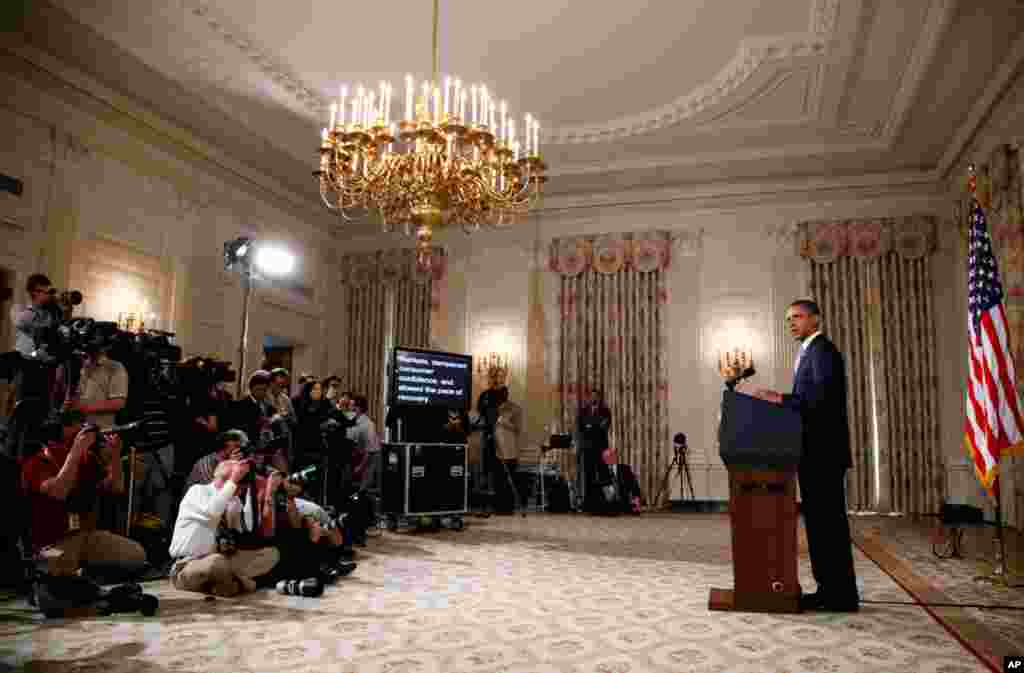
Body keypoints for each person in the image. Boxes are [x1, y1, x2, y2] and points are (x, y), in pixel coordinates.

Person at [735, 299, 859, 612]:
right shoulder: (809, 352)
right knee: (820, 525)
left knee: (827, 525)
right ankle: (832, 590)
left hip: (823, 453)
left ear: (816, 319)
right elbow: (809, 399)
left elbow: (821, 400)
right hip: (814, 452)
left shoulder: (822, 352)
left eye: (799, 317)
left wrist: (781, 399)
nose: (792, 323)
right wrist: (782, 400)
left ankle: (838, 594)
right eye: (789, 319)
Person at [21, 411, 147, 578]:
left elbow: (116, 487)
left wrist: (115, 455)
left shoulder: (87, 459)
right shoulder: (35, 463)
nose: (83, 430)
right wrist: (75, 451)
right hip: (53, 542)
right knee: (58, 569)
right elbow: (59, 492)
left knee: (136, 555)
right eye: (76, 427)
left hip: (85, 535)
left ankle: (87, 573)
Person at [169, 458, 279, 597]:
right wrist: (233, 480)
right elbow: (213, 511)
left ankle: (227, 583)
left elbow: (247, 527)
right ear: (217, 473)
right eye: (234, 474)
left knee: (270, 554)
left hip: (224, 560)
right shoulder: (197, 491)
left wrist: (257, 493)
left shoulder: (233, 500)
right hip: (188, 565)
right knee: (216, 563)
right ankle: (236, 583)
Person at [11, 274, 62, 406]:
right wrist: (38, 305)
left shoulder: (49, 313)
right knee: (20, 404)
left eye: (49, 291)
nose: (48, 295)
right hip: (24, 363)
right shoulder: (19, 308)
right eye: (44, 291)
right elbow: (22, 323)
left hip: (44, 366)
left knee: (40, 406)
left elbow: (53, 332)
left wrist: (59, 308)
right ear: (34, 291)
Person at [577, 388, 612, 513]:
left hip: (601, 448)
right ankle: (589, 503)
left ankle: (606, 503)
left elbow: (604, 426)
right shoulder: (583, 411)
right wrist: (594, 425)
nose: (593, 398)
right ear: (588, 398)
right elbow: (581, 427)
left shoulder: (605, 411)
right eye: (591, 396)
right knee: (589, 475)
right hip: (587, 448)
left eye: (596, 396)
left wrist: (591, 425)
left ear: (599, 398)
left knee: (604, 475)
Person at [493, 387, 523, 514]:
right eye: (500, 394)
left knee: (510, 481)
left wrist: (504, 422)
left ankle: (508, 508)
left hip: (510, 451)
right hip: (497, 450)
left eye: (504, 393)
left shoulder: (515, 409)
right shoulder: (494, 409)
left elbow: (518, 428)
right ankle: (499, 507)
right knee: (499, 481)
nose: (502, 396)